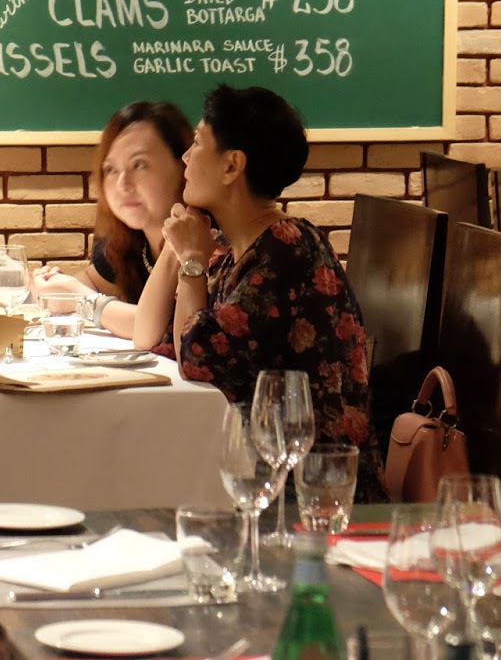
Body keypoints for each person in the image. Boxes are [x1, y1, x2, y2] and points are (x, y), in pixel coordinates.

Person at [138, 85, 379, 487]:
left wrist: (192, 260)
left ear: (232, 166)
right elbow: (150, 336)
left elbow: (197, 362)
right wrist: (180, 246)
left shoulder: (287, 247)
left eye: (197, 143)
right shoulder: (236, 250)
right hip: (260, 468)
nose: (185, 157)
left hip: (308, 485)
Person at [33, 101, 193, 339]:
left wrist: (82, 299)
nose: (122, 184)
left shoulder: (208, 242)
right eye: (110, 169)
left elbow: (165, 329)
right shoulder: (125, 244)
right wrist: (54, 286)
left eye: (139, 165)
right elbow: (87, 283)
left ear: (184, 166)